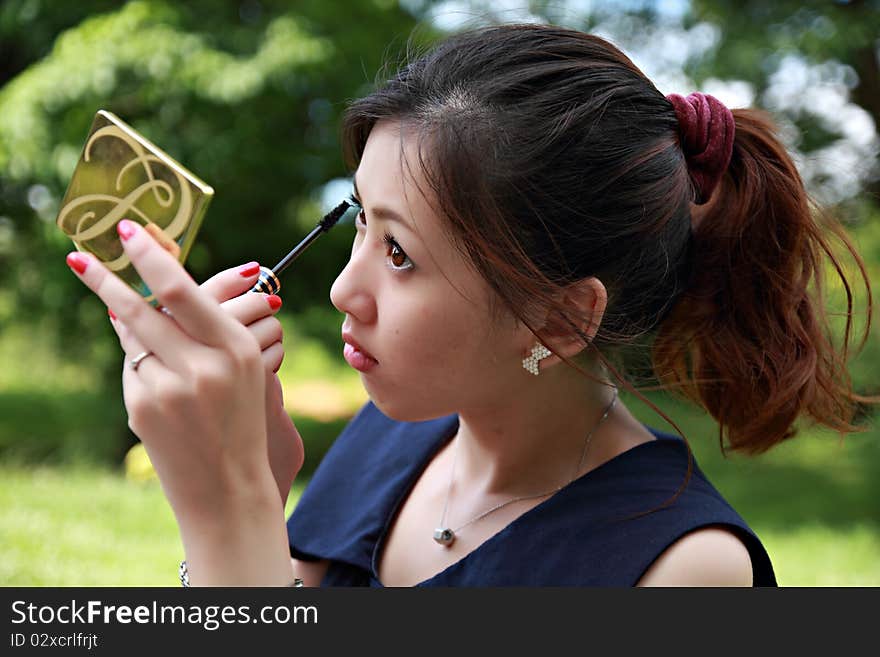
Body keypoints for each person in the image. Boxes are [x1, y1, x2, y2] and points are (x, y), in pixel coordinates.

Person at [66, 23, 875, 587]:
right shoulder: (389, 437)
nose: (345, 289)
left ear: (558, 321)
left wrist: (225, 507)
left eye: (400, 255)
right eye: (360, 222)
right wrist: (252, 492)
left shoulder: (680, 569)